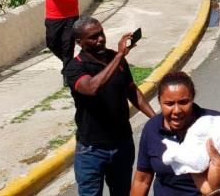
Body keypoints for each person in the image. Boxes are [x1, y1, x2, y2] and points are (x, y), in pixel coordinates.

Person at [65, 17, 154, 196]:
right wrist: (120, 56)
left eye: (101, 34)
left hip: (122, 145)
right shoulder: (75, 68)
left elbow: (131, 91)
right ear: (79, 42)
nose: (100, 39)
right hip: (91, 151)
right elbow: (91, 87)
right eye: (93, 37)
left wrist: (156, 118)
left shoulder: (114, 58)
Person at [131, 72, 220, 195]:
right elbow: (142, 180)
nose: (177, 110)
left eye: (183, 102)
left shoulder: (215, 125)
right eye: (169, 104)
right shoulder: (151, 129)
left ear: (192, 98)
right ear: (159, 102)